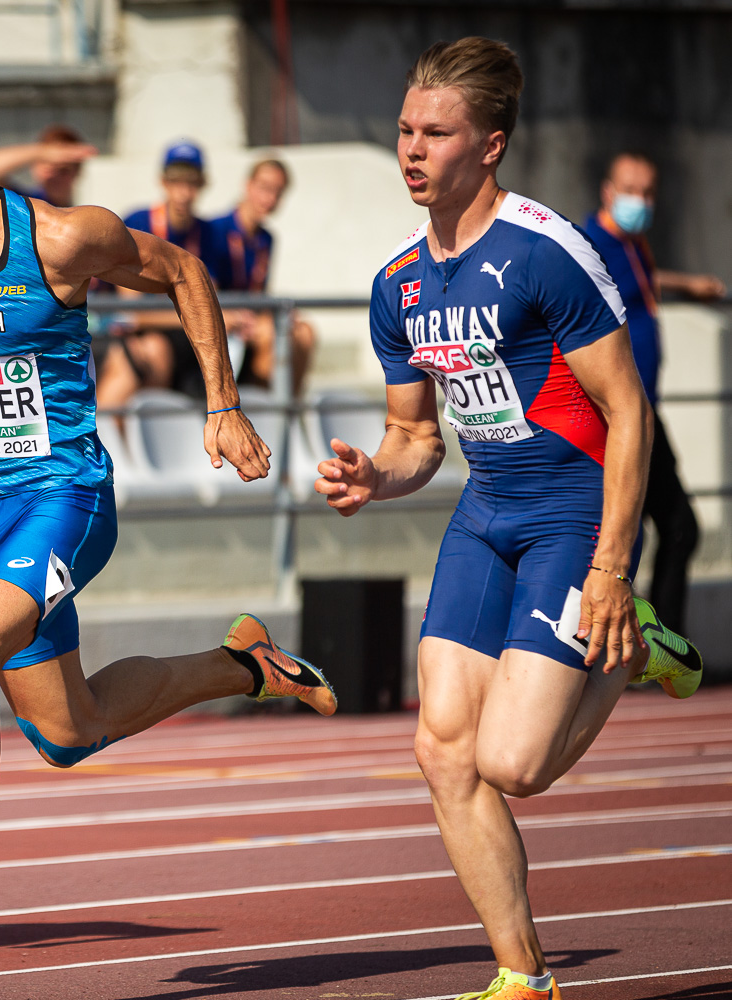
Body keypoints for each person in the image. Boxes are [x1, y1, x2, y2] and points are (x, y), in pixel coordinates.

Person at [0, 68, 339, 962]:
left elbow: (184, 271)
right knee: (68, 733)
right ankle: (247, 666)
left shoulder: (63, 238)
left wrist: (223, 404)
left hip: (64, 497)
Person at [314, 38, 704, 1000]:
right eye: (404, 130)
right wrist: (375, 475)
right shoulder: (398, 284)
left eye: (435, 133)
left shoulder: (547, 251)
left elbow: (628, 412)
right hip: (485, 513)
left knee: (515, 765)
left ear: (489, 145)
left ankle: (629, 646)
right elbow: (418, 438)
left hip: (573, 516)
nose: (412, 150)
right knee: (443, 753)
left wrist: (613, 568)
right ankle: (523, 978)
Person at [582, 152, 725, 633]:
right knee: (657, 529)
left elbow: (640, 283)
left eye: (648, 193)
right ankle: (649, 646)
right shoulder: (589, 246)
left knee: (668, 528)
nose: (640, 202)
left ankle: (653, 645)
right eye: (631, 191)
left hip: (642, 412)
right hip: (616, 414)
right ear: (608, 192)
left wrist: (688, 284)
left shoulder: (632, 245)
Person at [95, 141, 219, 406]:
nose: (184, 192)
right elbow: (133, 314)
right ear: (163, 182)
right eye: (176, 182)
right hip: (122, 333)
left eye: (192, 183)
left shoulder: (207, 232)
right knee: (153, 350)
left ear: (202, 185)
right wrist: (203, 316)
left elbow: (210, 299)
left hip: (176, 339)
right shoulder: (139, 221)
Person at [207, 159, 316, 392]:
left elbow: (258, 293)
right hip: (222, 319)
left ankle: (287, 407)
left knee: (305, 331)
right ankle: (262, 407)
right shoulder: (214, 229)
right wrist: (236, 316)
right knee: (271, 333)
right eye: (265, 188)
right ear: (247, 185)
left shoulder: (266, 239)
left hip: (249, 318)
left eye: (278, 192)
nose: (270, 199)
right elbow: (206, 292)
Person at [0, 122, 97, 207]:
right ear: (35, 168)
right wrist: (42, 153)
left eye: (63, 170)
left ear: (77, 171)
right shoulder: (25, 204)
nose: (55, 177)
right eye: (49, 169)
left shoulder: (86, 210)